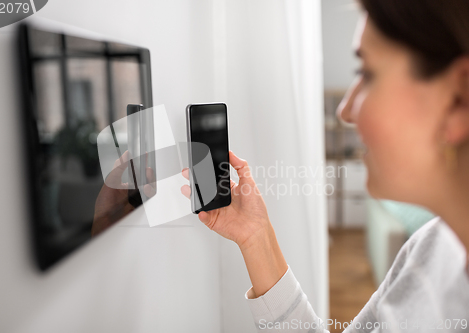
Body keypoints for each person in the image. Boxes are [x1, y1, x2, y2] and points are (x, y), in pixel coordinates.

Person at [181, 1, 469, 332]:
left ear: (457, 98)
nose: (345, 111)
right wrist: (255, 237)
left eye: (367, 74)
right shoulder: (429, 248)